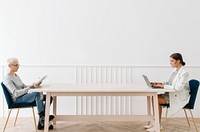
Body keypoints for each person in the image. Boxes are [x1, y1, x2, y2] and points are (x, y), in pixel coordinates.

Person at [3, 57, 55, 130]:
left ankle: (42, 120)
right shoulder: (7, 78)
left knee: (49, 98)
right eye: (16, 65)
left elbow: (24, 86)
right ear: (9, 66)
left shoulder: (15, 75)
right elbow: (16, 93)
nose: (18, 66)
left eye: (18, 65)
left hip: (24, 96)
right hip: (18, 99)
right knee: (37, 94)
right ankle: (43, 118)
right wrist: (30, 88)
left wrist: (34, 85)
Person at [145, 53, 190, 132]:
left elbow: (178, 88)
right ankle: (155, 122)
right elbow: (168, 82)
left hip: (179, 97)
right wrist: (158, 83)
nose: (170, 63)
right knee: (154, 97)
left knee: (156, 99)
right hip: (171, 94)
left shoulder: (184, 73)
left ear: (178, 61)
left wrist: (163, 87)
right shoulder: (174, 71)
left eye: (172, 61)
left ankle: (157, 125)